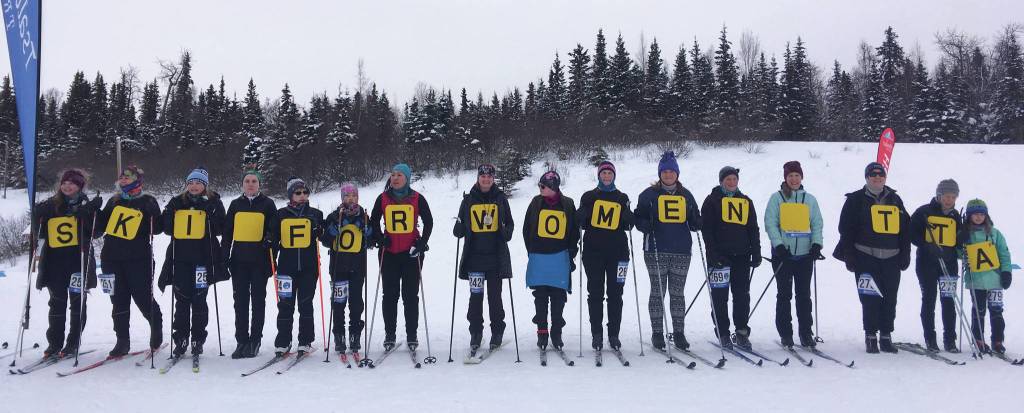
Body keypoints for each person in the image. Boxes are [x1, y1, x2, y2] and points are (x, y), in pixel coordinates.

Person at [834, 162, 910, 354]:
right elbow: (846, 229)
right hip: (865, 256)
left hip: (891, 257)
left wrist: (905, 253)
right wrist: (849, 255)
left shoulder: (895, 199)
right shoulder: (856, 200)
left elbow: (905, 229)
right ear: (867, 178)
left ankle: (886, 334)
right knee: (869, 298)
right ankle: (870, 335)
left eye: (880, 175)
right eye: (873, 175)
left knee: (890, 297)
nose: (877, 178)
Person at [634, 151, 701, 351]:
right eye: (665, 171)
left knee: (677, 293)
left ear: (677, 174)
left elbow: (694, 217)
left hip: (681, 250)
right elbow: (637, 217)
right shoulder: (648, 195)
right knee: (658, 291)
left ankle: (679, 333)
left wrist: (698, 222)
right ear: (660, 174)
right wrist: (644, 224)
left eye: (672, 171)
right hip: (656, 249)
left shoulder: (686, 195)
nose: (668, 175)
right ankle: (657, 333)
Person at [158, 167, 227, 358]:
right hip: (180, 259)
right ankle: (180, 338)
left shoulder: (214, 201)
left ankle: (198, 338)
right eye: (191, 183)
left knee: (199, 300)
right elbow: (167, 228)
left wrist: (212, 213)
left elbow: (221, 228)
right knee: (181, 301)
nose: (194, 186)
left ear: (205, 185)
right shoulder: (177, 201)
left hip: (202, 260)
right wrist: (169, 214)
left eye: (198, 183)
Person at [95, 166, 163, 357]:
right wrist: (94, 211)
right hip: (111, 258)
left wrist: (153, 214)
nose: (123, 180)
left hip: (138, 258)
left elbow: (157, 229)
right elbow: (100, 228)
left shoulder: (148, 200)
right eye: (122, 177)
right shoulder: (114, 200)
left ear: (137, 180)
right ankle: (122, 341)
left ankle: (156, 328)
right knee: (118, 301)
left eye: (128, 177)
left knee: (143, 298)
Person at [35, 168, 102, 357]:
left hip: (78, 262)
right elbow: (38, 226)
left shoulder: (86, 204)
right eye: (64, 183)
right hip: (55, 262)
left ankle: (72, 342)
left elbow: (96, 232)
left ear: (79, 186)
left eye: (71, 183)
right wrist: (36, 211)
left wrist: (90, 211)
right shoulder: (52, 205)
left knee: (77, 303)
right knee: (56, 303)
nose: (67, 186)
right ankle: (54, 343)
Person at [370, 164, 434, 351]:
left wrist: (421, 243)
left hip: (411, 254)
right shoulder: (382, 198)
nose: (395, 178)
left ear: (407, 178)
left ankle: (412, 334)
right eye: (392, 175)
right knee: (389, 295)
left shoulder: (417, 198)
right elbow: (374, 221)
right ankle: (390, 334)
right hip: (389, 254)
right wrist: (381, 239)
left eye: (399, 175)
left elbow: (428, 221)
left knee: (410, 295)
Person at [453, 164, 514, 351]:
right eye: (483, 177)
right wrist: (458, 228)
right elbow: (459, 227)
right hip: (475, 259)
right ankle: (476, 332)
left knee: (495, 297)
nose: (486, 180)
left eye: (489, 177)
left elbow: (510, 226)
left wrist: (505, 231)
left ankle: (497, 332)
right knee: (476, 297)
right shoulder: (469, 199)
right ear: (478, 178)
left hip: (496, 259)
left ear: (493, 179)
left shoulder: (501, 199)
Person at [763, 161, 824, 348]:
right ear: (785, 178)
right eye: (790, 176)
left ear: (802, 177)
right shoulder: (777, 198)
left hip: (805, 255)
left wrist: (816, 244)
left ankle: (806, 333)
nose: (794, 179)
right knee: (784, 295)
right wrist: (778, 245)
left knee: (804, 296)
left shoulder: (810, 199)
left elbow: (817, 224)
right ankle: (785, 334)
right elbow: (770, 223)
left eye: (797, 175)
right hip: (784, 256)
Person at [700, 166, 760, 349]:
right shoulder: (712, 201)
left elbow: (753, 229)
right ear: (721, 181)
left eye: (734, 179)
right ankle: (723, 332)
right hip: (719, 257)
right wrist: (713, 254)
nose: (731, 182)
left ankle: (741, 332)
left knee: (741, 296)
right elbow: (707, 231)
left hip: (741, 256)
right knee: (720, 297)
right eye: (728, 179)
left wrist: (756, 251)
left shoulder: (746, 201)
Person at [576, 161, 634, 351]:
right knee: (595, 293)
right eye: (604, 173)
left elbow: (629, 225)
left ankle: (614, 334)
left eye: (610, 173)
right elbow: (580, 223)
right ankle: (597, 334)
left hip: (618, 253)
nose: (607, 176)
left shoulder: (621, 197)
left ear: (614, 176)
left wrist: (628, 216)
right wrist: (581, 215)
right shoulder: (589, 196)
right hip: (594, 252)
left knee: (616, 294)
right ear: (599, 175)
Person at [221, 168, 279, 358]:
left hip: (260, 262)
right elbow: (228, 233)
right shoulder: (236, 204)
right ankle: (241, 341)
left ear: (259, 184)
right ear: (242, 184)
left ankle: (255, 340)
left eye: (254, 181)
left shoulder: (268, 204)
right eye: (247, 181)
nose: (251, 184)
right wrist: (225, 256)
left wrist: (270, 244)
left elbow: (275, 231)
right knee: (240, 302)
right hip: (239, 261)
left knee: (258, 302)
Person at [524, 170, 579, 351]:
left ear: (554, 187)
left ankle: (556, 332)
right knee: (540, 296)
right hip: (539, 256)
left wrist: (571, 253)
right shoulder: (535, 202)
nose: (540, 189)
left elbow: (573, 231)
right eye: (539, 185)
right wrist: (531, 250)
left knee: (558, 297)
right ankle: (542, 332)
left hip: (559, 256)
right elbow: (527, 228)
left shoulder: (568, 204)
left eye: (544, 186)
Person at [273, 177, 324, 356]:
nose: (302, 196)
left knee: (305, 304)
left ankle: (305, 341)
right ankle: (283, 342)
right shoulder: (280, 214)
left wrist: (321, 232)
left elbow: (325, 240)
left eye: (305, 192)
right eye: (297, 193)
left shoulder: (316, 214)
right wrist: (270, 248)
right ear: (290, 195)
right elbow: (274, 239)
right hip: (286, 268)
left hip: (309, 268)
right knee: (285, 305)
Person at [909, 179, 962, 352]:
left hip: (949, 264)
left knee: (948, 302)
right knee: (929, 299)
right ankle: (930, 339)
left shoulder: (956, 216)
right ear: (939, 196)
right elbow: (911, 233)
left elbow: (959, 239)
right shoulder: (924, 211)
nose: (949, 200)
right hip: (927, 263)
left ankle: (950, 339)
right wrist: (926, 245)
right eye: (946, 196)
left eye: (953, 197)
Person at [320, 183, 372, 355]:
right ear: (342, 198)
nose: (350, 199)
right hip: (338, 267)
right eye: (347, 196)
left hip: (357, 267)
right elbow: (325, 240)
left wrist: (367, 232)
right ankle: (339, 334)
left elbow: (371, 241)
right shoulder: (335, 216)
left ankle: (355, 334)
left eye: (354, 196)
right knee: (338, 302)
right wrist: (332, 232)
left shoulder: (363, 215)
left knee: (356, 303)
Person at [960, 199, 1012, 354]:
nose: (978, 217)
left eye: (981, 214)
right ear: (969, 216)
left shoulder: (995, 233)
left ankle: (997, 340)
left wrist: (1006, 272)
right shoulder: (966, 234)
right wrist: (960, 246)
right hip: (976, 281)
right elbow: (960, 254)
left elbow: (1004, 253)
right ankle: (978, 339)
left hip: (995, 279)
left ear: (986, 215)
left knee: (996, 311)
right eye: (975, 214)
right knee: (978, 311)